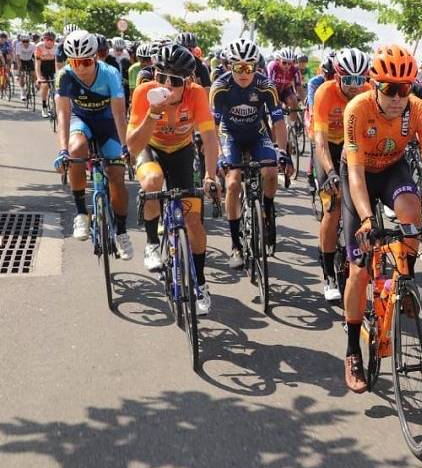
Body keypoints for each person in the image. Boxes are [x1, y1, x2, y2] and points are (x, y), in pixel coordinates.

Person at [339, 44, 422, 393]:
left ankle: (404, 277)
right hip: (357, 175)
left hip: (392, 169)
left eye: (403, 89)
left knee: (410, 210)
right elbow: (356, 174)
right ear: (373, 85)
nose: (396, 97)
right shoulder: (356, 110)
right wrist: (365, 219)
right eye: (389, 89)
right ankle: (352, 352)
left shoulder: (418, 110)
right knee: (359, 270)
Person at [127, 45, 220, 315]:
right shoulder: (145, 92)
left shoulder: (197, 95)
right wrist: (153, 112)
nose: (166, 84)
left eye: (175, 81)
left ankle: (200, 282)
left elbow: (210, 138)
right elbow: (133, 146)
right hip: (151, 148)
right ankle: (152, 244)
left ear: (188, 81)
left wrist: (210, 175)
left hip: (182, 151)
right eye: (161, 76)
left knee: (193, 220)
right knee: (153, 181)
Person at [51, 30, 132, 259]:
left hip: (108, 124)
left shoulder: (110, 74)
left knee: (116, 174)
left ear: (96, 57)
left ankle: (122, 232)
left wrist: (126, 148)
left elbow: (119, 115)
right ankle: (81, 213)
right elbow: (64, 114)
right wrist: (63, 150)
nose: (80, 68)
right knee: (76, 151)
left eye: (86, 62)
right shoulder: (65, 76)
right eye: (74, 62)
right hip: (81, 120)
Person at [211, 38, 292, 267]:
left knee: (270, 171)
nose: (244, 73)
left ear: (257, 67)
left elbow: (278, 122)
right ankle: (236, 245)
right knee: (234, 182)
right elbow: (213, 128)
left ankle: (266, 207)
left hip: (257, 133)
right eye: (239, 67)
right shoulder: (220, 87)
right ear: (229, 66)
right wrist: (219, 156)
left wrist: (282, 151)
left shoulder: (266, 85)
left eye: (250, 67)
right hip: (231, 135)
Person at [311, 48, 371, 301]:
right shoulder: (325, 92)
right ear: (337, 77)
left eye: (360, 80)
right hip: (330, 148)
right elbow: (321, 143)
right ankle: (328, 274)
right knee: (333, 208)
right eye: (349, 80)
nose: (355, 86)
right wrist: (332, 173)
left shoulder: (368, 92)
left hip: (354, 147)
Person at [34, 31, 59, 114]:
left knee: (57, 84)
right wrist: (38, 77)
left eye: (51, 40)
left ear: (54, 40)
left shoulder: (57, 47)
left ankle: (55, 104)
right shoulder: (39, 47)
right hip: (42, 66)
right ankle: (44, 105)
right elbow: (37, 63)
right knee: (44, 85)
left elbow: (58, 64)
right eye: (47, 39)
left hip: (53, 65)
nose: (49, 41)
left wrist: (58, 76)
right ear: (43, 40)